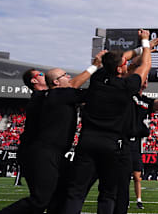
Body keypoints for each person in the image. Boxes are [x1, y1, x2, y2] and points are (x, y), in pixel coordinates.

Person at [0, 53, 104, 214]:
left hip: (51, 152)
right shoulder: (45, 96)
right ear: (34, 81)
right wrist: (95, 66)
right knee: (40, 201)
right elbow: (72, 86)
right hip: (40, 153)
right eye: (40, 74)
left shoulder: (50, 96)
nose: (43, 74)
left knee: (62, 195)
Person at [63, 30, 153, 214]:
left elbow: (119, 59)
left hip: (87, 141)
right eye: (124, 64)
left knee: (76, 193)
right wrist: (145, 43)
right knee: (107, 194)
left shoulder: (97, 78)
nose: (126, 64)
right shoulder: (127, 87)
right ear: (120, 69)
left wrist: (99, 63)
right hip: (112, 144)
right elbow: (145, 66)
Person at [115, 63, 158, 213]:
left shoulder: (146, 101)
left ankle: (136, 200)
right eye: (143, 78)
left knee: (137, 176)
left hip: (136, 144)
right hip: (121, 141)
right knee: (120, 178)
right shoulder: (127, 94)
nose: (145, 81)